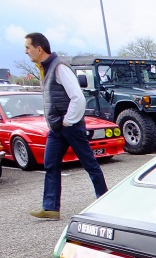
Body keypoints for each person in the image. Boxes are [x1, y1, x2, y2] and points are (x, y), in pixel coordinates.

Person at [25, 32, 107, 220]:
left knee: (90, 164)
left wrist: (68, 121)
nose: (26, 52)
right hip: (57, 128)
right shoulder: (45, 69)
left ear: (39, 49)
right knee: (50, 164)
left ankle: (104, 199)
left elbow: (77, 97)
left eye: (28, 48)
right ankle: (51, 208)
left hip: (69, 126)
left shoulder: (59, 67)